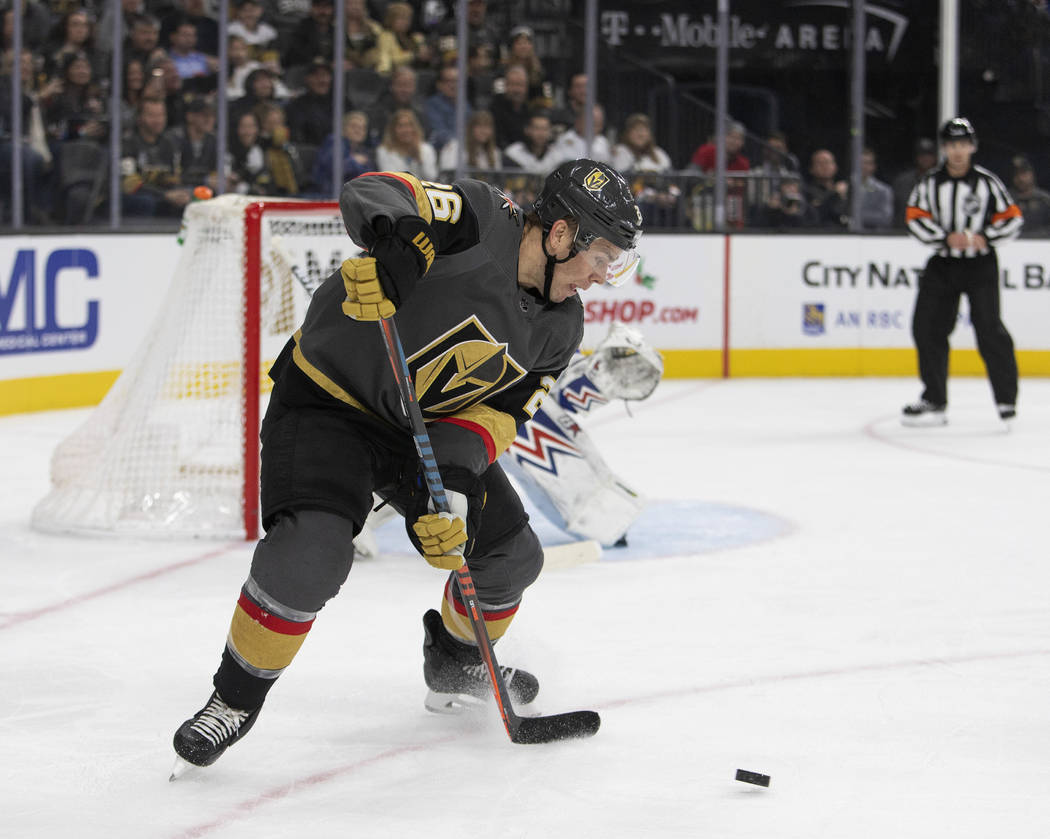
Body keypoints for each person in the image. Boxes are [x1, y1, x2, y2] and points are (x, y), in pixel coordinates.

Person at [170, 158, 643, 772]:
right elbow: (377, 192)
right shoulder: (479, 217)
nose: (602, 276)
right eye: (600, 256)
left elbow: (495, 417)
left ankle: (454, 664)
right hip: (328, 401)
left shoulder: (560, 327)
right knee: (312, 553)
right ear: (559, 235)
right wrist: (400, 251)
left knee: (512, 557)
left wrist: (452, 487)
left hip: (419, 434)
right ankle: (232, 700)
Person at [902, 117, 1023, 426]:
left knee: (989, 328)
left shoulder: (987, 182)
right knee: (927, 327)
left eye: (963, 145)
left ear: (973, 146)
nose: (957, 151)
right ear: (944, 148)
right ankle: (934, 399)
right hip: (944, 264)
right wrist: (944, 238)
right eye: (952, 145)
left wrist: (986, 237)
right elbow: (914, 216)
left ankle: (1006, 399)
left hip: (980, 265)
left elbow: (1012, 217)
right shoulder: (930, 182)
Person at [374, 106, 437, 180]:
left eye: (409, 125)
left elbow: (431, 178)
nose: (405, 130)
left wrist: (420, 160)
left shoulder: (426, 149)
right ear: (393, 130)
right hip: (396, 190)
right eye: (400, 126)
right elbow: (389, 179)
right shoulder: (384, 151)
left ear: (415, 128)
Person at [437, 108, 500, 174]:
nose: (484, 131)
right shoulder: (455, 147)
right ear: (470, 128)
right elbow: (448, 175)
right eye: (480, 126)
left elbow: (498, 179)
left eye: (488, 127)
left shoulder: (495, 152)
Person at [892, 137, 938, 228]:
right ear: (916, 157)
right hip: (903, 234)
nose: (926, 159)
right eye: (922, 155)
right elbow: (897, 211)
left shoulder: (941, 182)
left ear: (935, 157)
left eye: (929, 155)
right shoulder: (903, 182)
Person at [422, 62, 468, 153]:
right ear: (439, 85)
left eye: (456, 81)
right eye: (448, 81)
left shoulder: (465, 104)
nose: (453, 85)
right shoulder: (432, 104)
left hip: (464, 149)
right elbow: (439, 133)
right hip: (441, 151)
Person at [502, 108, 561, 175]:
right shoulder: (513, 153)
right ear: (527, 130)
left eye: (545, 129)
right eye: (537, 128)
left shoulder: (557, 155)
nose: (541, 134)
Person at [805, 148, 849, 228]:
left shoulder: (845, 190)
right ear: (811, 169)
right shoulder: (807, 192)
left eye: (828, 162)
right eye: (820, 163)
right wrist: (835, 194)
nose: (825, 166)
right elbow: (815, 216)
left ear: (835, 167)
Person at [1009, 155, 1050, 236]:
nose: (1021, 178)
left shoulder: (1045, 199)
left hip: (1041, 244)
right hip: (1012, 244)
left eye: (1024, 173)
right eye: (1017, 174)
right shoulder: (1006, 199)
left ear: (1032, 174)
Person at [854, 146, 893, 230]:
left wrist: (855, 215)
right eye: (861, 163)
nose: (863, 166)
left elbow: (885, 218)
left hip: (872, 236)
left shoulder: (883, 190)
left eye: (867, 163)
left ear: (873, 166)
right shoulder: (844, 187)